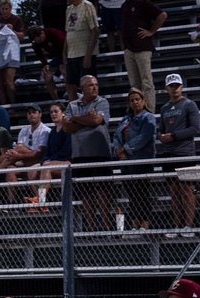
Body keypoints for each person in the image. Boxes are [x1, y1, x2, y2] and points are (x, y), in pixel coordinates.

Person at [64, 74, 113, 232]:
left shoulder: (102, 102)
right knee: (86, 192)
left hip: (100, 153)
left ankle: (106, 227)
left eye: (96, 84)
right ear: (82, 88)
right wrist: (85, 119)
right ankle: (91, 228)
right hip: (80, 154)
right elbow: (66, 128)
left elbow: (97, 121)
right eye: (91, 85)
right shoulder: (73, 104)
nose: (95, 88)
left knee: (103, 191)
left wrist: (75, 119)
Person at [157, 74, 200, 234]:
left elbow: (195, 128)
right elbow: (161, 129)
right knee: (173, 191)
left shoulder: (190, 105)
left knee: (187, 189)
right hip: (169, 153)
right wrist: (161, 137)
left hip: (185, 152)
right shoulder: (164, 108)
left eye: (177, 85)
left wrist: (174, 136)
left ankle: (188, 225)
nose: (174, 88)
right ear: (166, 88)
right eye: (171, 86)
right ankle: (177, 224)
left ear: (182, 87)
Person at [113, 88, 156, 231]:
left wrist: (126, 148)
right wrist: (118, 150)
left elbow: (144, 137)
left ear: (143, 101)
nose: (135, 102)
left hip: (141, 159)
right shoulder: (125, 119)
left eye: (137, 99)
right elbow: (116, 136)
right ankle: (134, 223)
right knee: (131, 194)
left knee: (142, 192)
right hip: (126, 162)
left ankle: (145, 223)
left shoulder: (148, 117)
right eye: (132, 100)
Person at [120, 0, 166, 114]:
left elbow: (162, 15)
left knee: (146, 81)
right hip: (129, 49)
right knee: (134, 84)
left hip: (143, 47)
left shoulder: (142, 2)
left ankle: (150, 110)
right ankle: (136, 110)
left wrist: (151, 31)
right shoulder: (124, 5)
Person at [64, 0, 99, 102]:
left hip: (84, 52)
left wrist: (88, 55)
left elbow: (95, 31)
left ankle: (91, 109)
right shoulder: (69, 9)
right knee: (70, 84)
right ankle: (75, 110)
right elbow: (67, 32)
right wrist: (64, 52)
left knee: (88, 85)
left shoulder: (87, 5)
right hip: (71, 53)